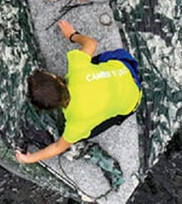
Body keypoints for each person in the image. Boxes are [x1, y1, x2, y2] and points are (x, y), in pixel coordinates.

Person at [15, 20, 142, 164]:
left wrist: (30, 158)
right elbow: (91, 43)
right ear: (56, 78)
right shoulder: (77, 66)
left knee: (84, 134)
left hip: (132, 103)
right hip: (127, 73)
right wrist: (72, 35)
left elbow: (58, 147)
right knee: (96, 60)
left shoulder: (75, 125)